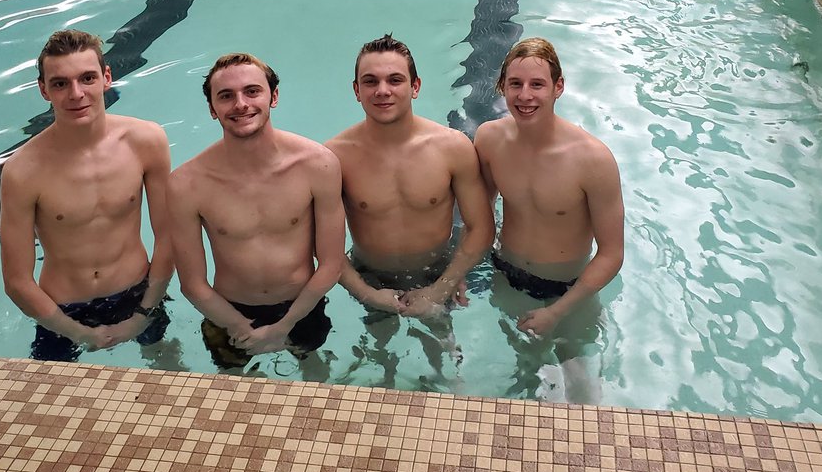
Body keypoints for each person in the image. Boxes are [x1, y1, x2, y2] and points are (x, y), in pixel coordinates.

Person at [0, 29, 174, 362]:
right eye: (60, 83)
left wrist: (142, 313)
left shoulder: (146, 141)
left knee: (170, 370)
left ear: (107, 78)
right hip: (62, 310)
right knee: (49, 402)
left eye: (87, 78)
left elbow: (169, 238)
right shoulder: (22, 171)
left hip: (139, 293)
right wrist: (78, 333)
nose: (76, 94)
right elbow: (17, 281)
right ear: (43, 90)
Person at [168, 53, 345, 369]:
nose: (240, 104)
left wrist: (284, 327)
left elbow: (331, 263)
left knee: (315, 374)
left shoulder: (318, 164)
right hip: (227, 310)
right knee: (231, 391)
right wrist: (240, 326)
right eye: (226, 96)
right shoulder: (186, 184)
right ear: (212, 109)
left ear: (273, 96)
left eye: (252, 91)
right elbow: (192, 284)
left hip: (302, 304)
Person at [326, 35, 495, 318]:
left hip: (439, 271)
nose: (382, 90)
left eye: (395, 80)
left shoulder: (452, 148)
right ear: (356, 90)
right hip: (370, 277)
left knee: (441, 350)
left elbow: (481, 228)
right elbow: (325, 247)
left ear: (415, 86)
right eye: (370, 81)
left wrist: (441, 288)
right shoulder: (334, 158)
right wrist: (369, 294)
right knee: (380, 354)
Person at [474, 37, 624, 338]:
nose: (524, 95)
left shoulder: (593, 160)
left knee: (580, 377)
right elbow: (481, 215)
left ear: (558, 87)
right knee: (525, 368)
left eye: (537, 85)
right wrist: (466, 272)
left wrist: (558, 311)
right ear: (502, 86)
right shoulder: (489, 140)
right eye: (515, 84)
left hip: (569, 289)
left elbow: (612, 254)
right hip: (506, 273)